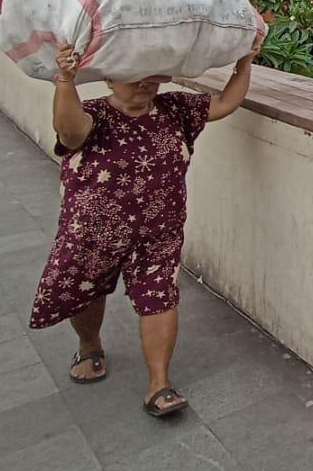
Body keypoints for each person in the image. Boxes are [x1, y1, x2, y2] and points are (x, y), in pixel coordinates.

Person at [31, 41, 258, 418]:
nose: (144, 84)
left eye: (151, 77)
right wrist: (66, 79)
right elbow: (69, 132)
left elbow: (224, 103)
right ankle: (89, 345)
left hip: (159, 232)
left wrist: (244, 65)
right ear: (109, 78)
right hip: (93, 233)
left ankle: (159, 384)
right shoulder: (94, 114)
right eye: (133, 77)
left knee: (160, 298)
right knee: (86, 292)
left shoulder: (176, 109)